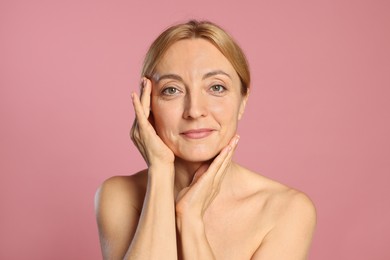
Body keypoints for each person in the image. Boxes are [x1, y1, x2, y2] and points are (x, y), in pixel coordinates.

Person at [95, 20, 316, 260]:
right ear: (148, 106)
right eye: (172, 90)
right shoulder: (118, 196)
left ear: (242, 101)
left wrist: (190, 219)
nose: (195, 110)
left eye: (217, 88)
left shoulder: (286, 210)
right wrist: (159, 171)